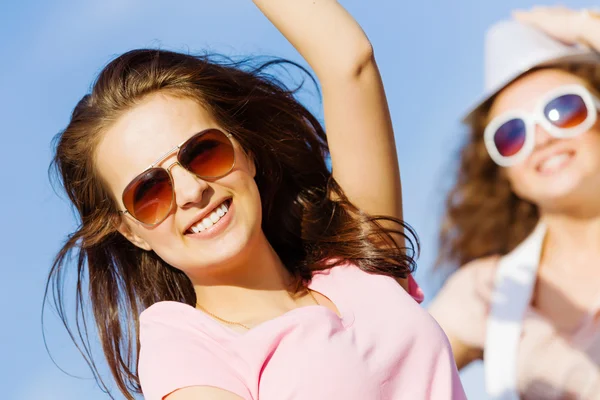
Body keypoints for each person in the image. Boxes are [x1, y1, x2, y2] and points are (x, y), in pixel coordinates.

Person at [47, 1, 466, 399]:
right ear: (131, 231)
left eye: (204, 152)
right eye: (150, 191)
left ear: (245, 151)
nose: (193, 192)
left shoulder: (353, 254)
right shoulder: (186, 348)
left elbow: (349, 60)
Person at [430, 6, 600, 400]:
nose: (541, 139)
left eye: (564, 109)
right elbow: (383, 374)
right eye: (512, 134)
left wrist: (582, 28)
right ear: (504, 174)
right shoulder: (485, 290)